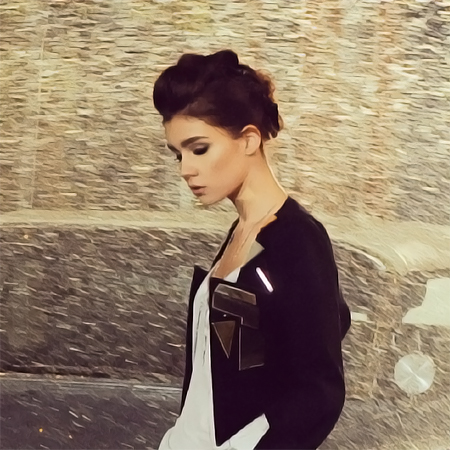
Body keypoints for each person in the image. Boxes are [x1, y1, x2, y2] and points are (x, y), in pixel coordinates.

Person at [152, 49, 351, 450]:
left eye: (199, 149)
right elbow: (222, 372)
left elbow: (319, 391)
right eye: (178, 154)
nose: (185, 169)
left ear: (248, 140)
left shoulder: (297, 239)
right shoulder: (241, 231)